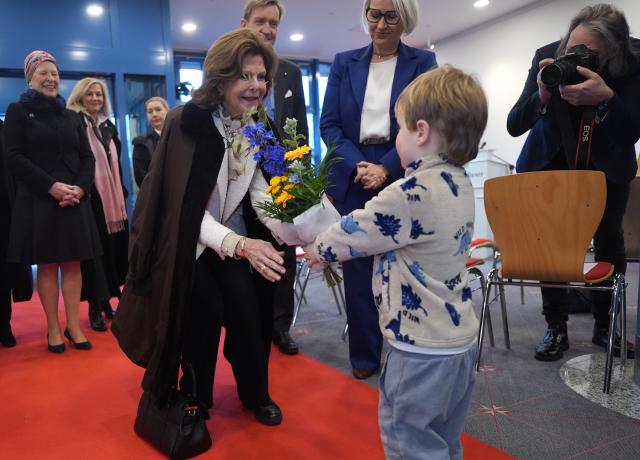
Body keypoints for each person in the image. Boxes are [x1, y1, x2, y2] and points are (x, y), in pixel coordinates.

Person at [306, 66, 487, 460]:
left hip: (418, 350)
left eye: (400, 129)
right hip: (459, 346)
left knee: (409, 444)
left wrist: (317, 249)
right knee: (443, 440)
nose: (396, 138)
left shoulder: (408, 192)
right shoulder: (460, 182)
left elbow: (356, 230)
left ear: (420, 132)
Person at [112, 29, 286, 432]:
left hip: (235, 241)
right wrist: (240, 244)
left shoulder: (258, 127)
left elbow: (261, 190)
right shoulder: (186, 122)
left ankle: (255, 393)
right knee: (201, 313)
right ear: (221, 78)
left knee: (247, 309)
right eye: (246, 76)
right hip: (189, 244)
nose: (256, 86)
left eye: (261, 77)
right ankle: (196, 395)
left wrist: (296, 229)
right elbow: (185, 212)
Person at [507, 3, 640, 362]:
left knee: (609, 240)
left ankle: (605, 325)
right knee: (552, 246)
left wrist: (606, 99)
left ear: (612, 52)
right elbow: (514, 123)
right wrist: (544, 95)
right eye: (571, 47)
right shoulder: (548, 58)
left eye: (588, 53)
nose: (574, 56)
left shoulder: (634, 61)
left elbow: (633, 128)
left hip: (607, 165)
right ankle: (556, 327)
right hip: (551, 162)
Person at [320, 0, 437, 379]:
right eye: (375, 15)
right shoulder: (343, 62)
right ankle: (365, 357)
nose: (382, 24)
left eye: (391, 16)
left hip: (399, 165)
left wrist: (385, 166)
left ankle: (408, 352)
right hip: (353, 168)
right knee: (357, 272)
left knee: (404, 264)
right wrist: (360, 164)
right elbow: (330, 125)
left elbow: (424, 124)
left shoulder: (423, 64)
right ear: (366, 15)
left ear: (405, 19)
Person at [3, 50, 102, 352]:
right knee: (47, 267)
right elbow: (14, 157)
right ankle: (54, 328)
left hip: (74, 200)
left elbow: (87, 158)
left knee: (73, 266)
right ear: (30, 77)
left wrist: (81, 189)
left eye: (55, 73)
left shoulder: (72, 116)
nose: (51, 78)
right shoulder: (18, 111)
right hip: (40, 199)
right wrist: (51, 186)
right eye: (43, 73)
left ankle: (74, 325)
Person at [240, 0, 309, 355]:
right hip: (240, 182)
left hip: (282, 178)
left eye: (274, 23)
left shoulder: (291, 72)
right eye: (261, 21)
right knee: (249, 252)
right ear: (245, 23)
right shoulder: (231, 69)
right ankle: (249, 325)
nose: (268, 29)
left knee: (285, 253)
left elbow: (301, 130)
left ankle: (281, 327)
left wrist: (302, 180)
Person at [67, 78, 129, 332]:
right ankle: (94, 305)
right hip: (90, 198)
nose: (95, 99)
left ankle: (106, 303)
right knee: (93, 256)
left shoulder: (108, 126)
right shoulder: (74, 123)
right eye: (90, 94)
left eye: (99, 95)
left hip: (113, 201)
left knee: (112, 252)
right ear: (80, 96)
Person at [132, 96, 169, 188]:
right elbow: (141, 179)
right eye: (150, 111)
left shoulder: (179, 138)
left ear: (168, 112)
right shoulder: (141, 144)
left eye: (158, 109)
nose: (154, 114)